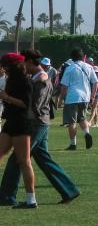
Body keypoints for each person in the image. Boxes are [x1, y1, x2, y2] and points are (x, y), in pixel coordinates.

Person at [0, 51, 78, 207]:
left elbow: (34, 105)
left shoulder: (41, 79)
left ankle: (7, 196)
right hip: (40, 122)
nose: (22, 66)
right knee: (43, 159)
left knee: (18, 159)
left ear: (29, 61)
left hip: (36, 123)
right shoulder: (37, 77)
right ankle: (69, 190)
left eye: (24, 62)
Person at [0, 54, 35, 208]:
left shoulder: (26, 80)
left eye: (6, 65)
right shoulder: (10, 79)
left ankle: (31, 200)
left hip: (22, 122)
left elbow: (25, 104)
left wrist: (6, 97)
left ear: (13, 66)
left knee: (24, 161)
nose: (4, 68)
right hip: (11, 122)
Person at [58, 49, 97, 151]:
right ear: (83, 57)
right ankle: (87, 133)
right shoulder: (89, 67)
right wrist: (92, 95)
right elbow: (95, 82)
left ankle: (73, 144)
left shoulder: (69, 68)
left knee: (72, 122)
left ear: (72, 58)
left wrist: (60, 99)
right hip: (85, 97)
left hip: (72, 97)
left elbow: (64, 87)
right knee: (82, 118)